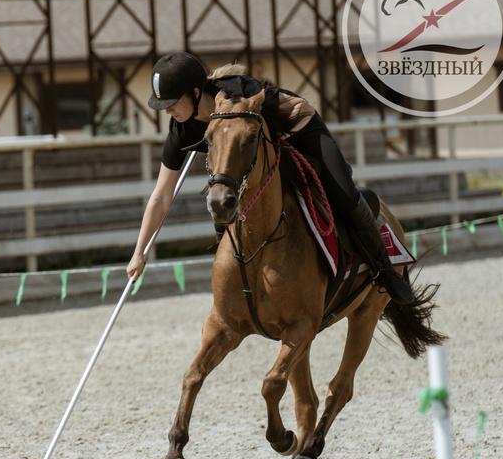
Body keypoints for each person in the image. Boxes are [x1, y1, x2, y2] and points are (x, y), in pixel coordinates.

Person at [127, 51, 415, 305]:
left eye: (172, 103)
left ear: (194, 92)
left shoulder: (238, 94)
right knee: (222, 201)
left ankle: (384, 271)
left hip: (299, 129)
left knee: (342, 191)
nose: (168, 110)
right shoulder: (180, 129)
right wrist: (139, 252)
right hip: (257, 157)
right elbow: (161, 195)